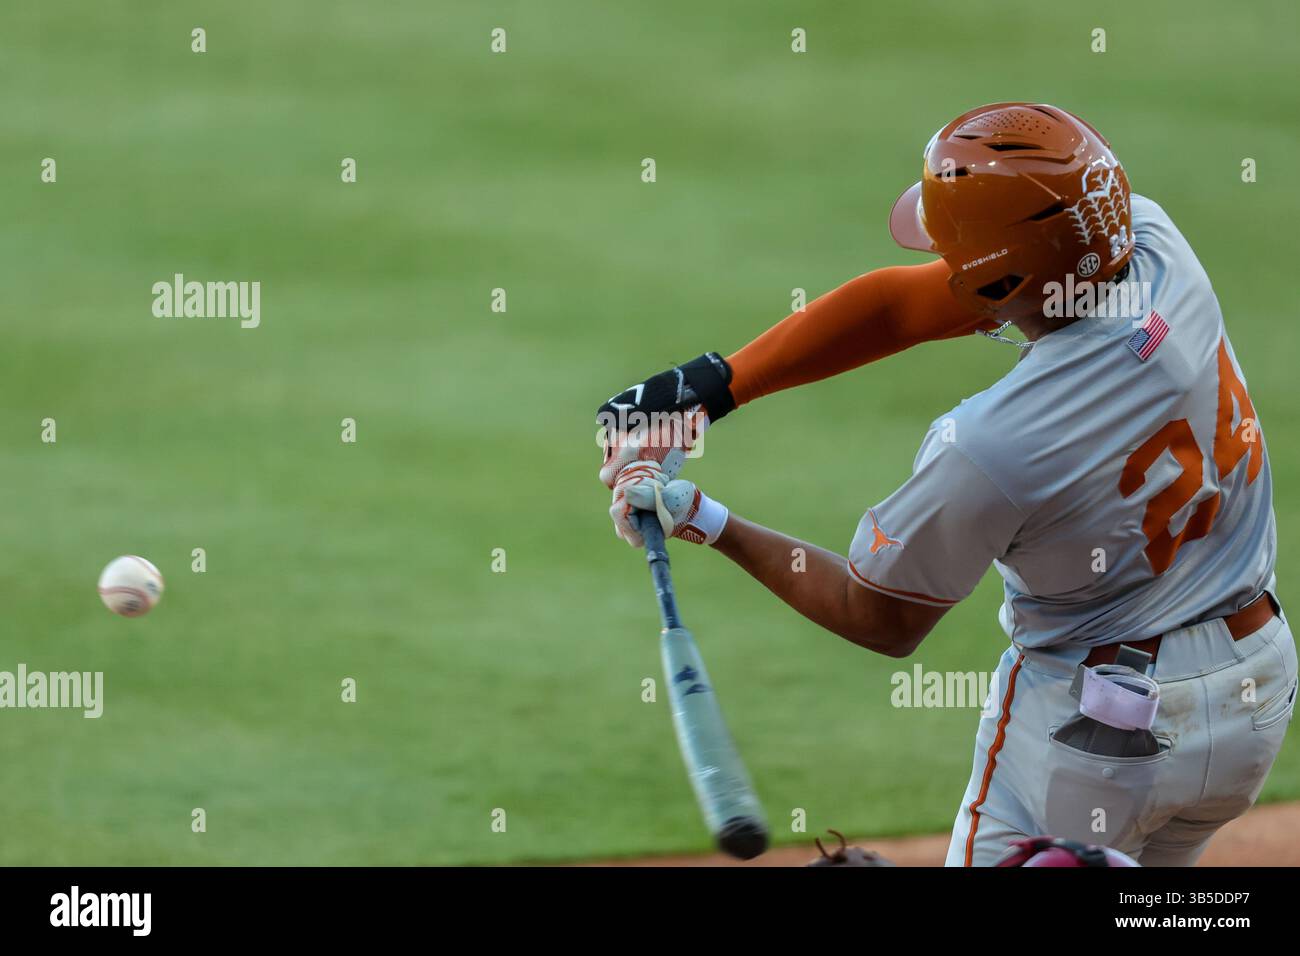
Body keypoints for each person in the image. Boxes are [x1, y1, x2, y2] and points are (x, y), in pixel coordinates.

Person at [596, 103, 1295, 866]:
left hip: (1098, 742)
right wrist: (708, 388)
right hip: (1252, 697)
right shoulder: (1153, 245)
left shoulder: (991, 444)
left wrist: (703, 516)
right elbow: (902, 305)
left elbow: (881, 619)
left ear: (1002, 279)